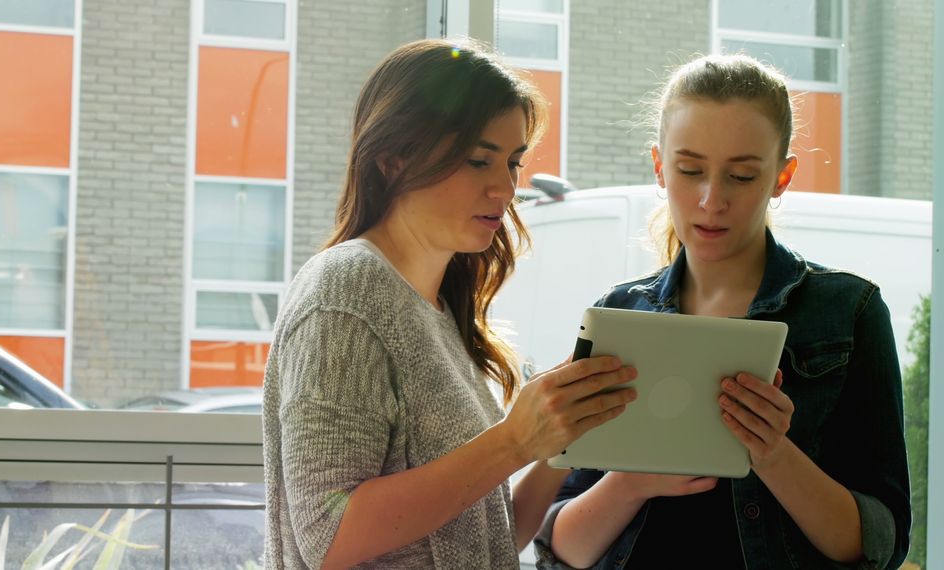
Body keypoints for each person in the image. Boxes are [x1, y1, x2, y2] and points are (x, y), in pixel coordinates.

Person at [261, 38, 640, 569]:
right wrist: (513, 441)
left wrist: (562, 435)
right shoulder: (345, 292)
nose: (506, 187)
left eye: (512, 162)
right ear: (393, 160)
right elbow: (328, 535)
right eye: (478, 160)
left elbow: (487, 537)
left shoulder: (437, 309)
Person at [533, 53, 912, 570]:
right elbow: (563, 551)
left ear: (782, 176)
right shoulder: (619, 314)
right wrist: (632, 481)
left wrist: (774, 455)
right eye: (690, 171)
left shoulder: (848, 312)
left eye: (741, 176)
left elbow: (879, 546)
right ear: (660, 169)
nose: (712, 200)